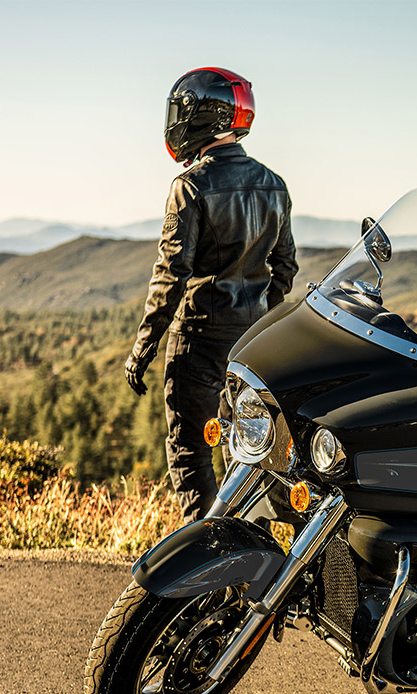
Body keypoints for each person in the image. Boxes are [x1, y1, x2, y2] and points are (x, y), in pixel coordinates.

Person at [124, 67, 297, 523]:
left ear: (203, 116)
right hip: (251, 345)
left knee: (190, 453)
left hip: (199, 341)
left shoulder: (190, 186)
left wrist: (143, 346)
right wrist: (262, 324)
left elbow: (170, 276)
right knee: (247, 456)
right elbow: (286, 269)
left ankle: (210, 571)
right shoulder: (274, 184)